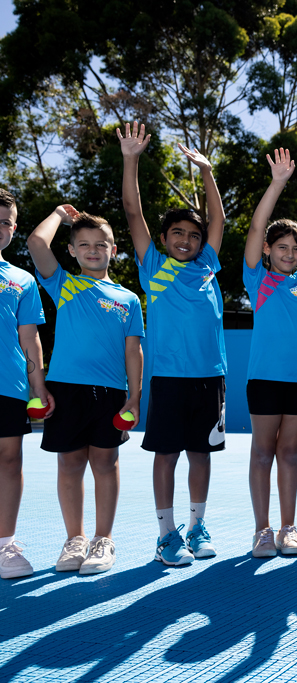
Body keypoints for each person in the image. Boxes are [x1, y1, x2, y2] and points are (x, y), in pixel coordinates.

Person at [118, 121, 227, 567]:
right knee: (167, 454)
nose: (186, 240)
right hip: (167, 378)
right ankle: (167, 536)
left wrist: (206, 172)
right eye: (177, 234)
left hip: (210, 378)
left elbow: (218, 218)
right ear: (164, 240)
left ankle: (197, 526)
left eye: (194, 235)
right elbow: (130, 210)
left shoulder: (208, 267)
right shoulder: (153, 269)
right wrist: (131, 160)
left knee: (201, 454)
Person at [26, 207, 144, 575]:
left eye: (100, 244)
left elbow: (133, 351)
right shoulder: (65, 284)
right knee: (70, 465)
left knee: (105, 465)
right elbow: (35, 242)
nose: (93, 250)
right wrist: (60, 214)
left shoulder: (128, 299)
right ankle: (74, 540)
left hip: (110, 394)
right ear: (73, 250)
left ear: (114, 249)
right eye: (84, 244)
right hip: (66, 391)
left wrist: (134, 397)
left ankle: (103, 540)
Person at [242, 148, 297, 558]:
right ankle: (262, 530)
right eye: (283, 247)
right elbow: (257, 227)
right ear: (269, 251)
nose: (290, 254)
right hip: (263, 380)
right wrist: (277, 183)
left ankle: (288, 529)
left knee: (288, 453)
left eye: (295, 249)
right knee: (262, 452)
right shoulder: (256, 278)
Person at [0, 188, 52, 579]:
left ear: (14, 229)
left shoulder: (22, 279)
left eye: (5, 222)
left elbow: (29, 337)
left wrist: (39, 386)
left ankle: (4, 544)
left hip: (10, 386)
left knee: (10, 460)